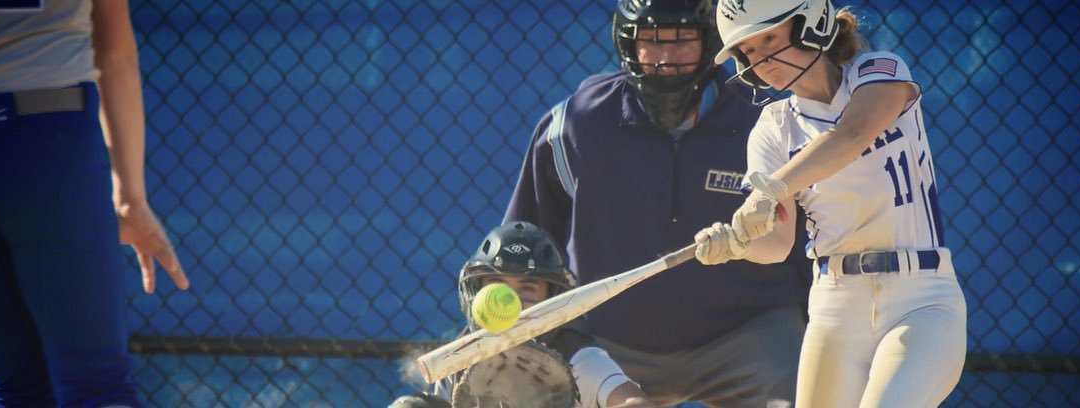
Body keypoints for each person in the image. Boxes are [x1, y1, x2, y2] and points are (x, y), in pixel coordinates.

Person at [504, 0, 813, 406]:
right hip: (608, 342)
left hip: (747, 335)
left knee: (809, 390)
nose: (666, 58)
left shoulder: (767, 121)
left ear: (711, 42)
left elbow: (813, 243)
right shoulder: (577, 125)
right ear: (627, 43)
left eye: (682, 40)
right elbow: (526, 243)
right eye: (651, 40)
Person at [693, 0, 968, 406]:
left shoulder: (878, 72)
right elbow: (776, 243)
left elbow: (850, 136)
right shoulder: (772, 129)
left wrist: (771, 188)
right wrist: (737, 244)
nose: (760, 59)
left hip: (921, 299)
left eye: (770, 37)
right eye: (747, 50)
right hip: (835, 307)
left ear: (811, 24)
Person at [0, 1, 189, 406]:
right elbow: (116, 53)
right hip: (52, 137)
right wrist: (130, 196)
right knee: (97, 385)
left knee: (12, 386)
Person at [392, 222, 654, 408]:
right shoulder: (465, 352)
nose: (512, 304)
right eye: (497, 288)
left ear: (551, 299)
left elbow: (632, 400)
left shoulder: (575, 352)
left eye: (527, 288)